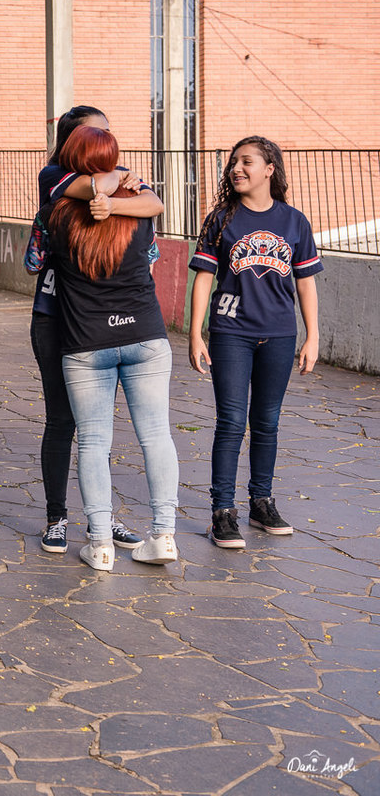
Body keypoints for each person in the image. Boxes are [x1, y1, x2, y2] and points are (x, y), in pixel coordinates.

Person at [32, 125, 180, 571]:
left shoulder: (53, 215)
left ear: (69, 161)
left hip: (85, 341)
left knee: (94, 442)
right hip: (146, 336)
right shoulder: (139, 209)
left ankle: (99, 546)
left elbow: (34, 262)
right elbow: (150, 252)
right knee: (156, 435)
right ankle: (164, 536)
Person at [188, 136, 322, 548]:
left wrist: (312, 335)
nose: (236, 168)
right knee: (231, 422)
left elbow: (306, 282)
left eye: (246, 161)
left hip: (279, 334)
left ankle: (261, 503)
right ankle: (222, 512)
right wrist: (196, 332)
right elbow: (204, 278)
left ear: (269, 169)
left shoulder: (294, 221)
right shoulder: (221, 219)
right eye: (233, 162)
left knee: (267, 422)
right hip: (231, 333)